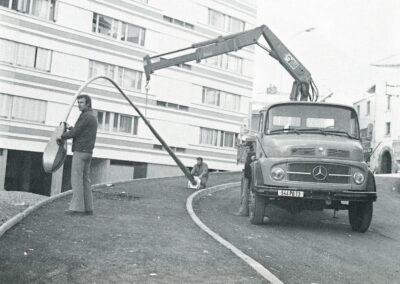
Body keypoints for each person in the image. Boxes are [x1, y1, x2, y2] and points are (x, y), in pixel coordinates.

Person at [58, 95, 98, 215]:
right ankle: (88, 208)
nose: (79, 104)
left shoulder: (85, 116)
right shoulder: (92, 115)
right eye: (78, 102)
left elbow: (76, 132)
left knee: (76, 180)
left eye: (81, 102)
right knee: (85, 180)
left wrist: (61, 136)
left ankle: (76, 208)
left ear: (88, 104)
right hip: (88, 152)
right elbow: (81, 130)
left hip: (80, 151)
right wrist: (71, 128)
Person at [238, 143, 255, 216]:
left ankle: (244, 212)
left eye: (247, 148)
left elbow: (251, 166)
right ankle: (244, 211)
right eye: (246, 148)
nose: (246, 150)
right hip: (246, 176)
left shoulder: (252, 155)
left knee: (245, 194)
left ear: (251, 148)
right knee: (245, 194)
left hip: (249, 177)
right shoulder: (249, 155)